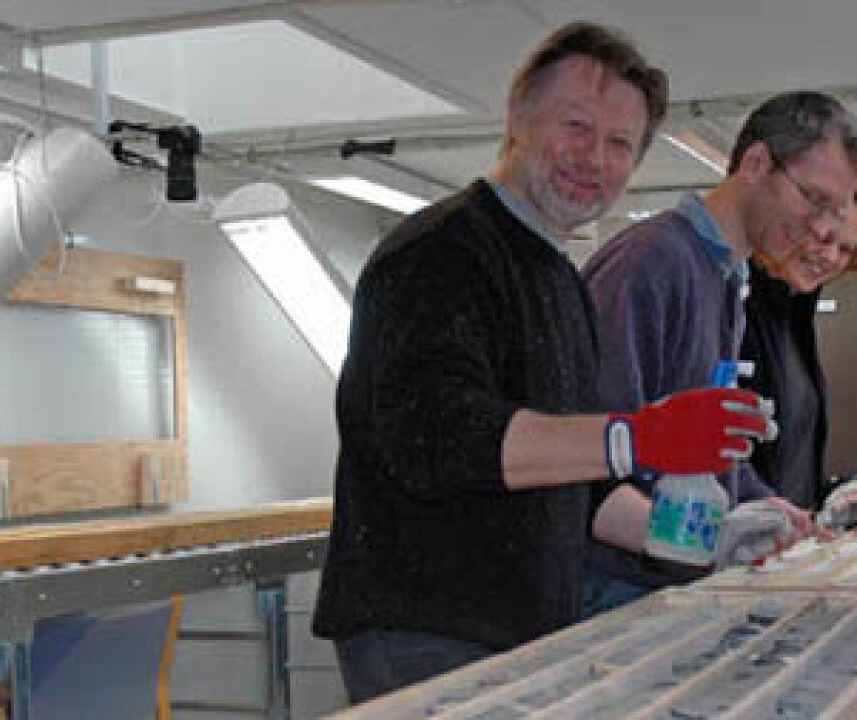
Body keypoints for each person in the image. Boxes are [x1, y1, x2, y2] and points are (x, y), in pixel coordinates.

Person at [312, 21, 775, 705]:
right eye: (576, 125)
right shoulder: (439, 252)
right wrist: (638, 436)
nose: (593, 158)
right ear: (518, 117)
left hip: (517, 633)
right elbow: (436, 437)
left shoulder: (561, 280)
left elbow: (583, 493)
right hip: (425, 629)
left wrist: (705, 538)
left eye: (619, 143)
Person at [581, 91, 857, 619]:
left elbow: (706, 447)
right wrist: (705, 536)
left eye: (835, 212)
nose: (823, 230)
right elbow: (588, 458)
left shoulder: (727, 278)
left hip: (672, 580)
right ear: (755, 164)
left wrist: (765, 505)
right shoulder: (653, 261)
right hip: (614, 585)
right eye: (814, 200)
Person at [740, 206, 857, 508]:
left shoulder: (795, 312)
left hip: (787, 528)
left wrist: (831, 496)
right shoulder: (739, 309)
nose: (831, 257)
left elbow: (792, 462)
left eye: (846, 249)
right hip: (736, 529)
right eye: (824, 238)